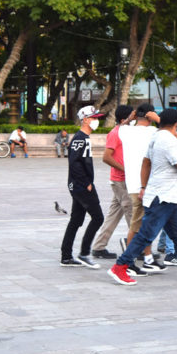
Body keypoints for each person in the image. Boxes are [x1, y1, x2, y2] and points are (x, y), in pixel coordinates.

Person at [108, 108, 177, 286]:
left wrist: (143, 186)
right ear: (176, 122)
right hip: (163, 198)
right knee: (146, 235)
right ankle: (120, 267)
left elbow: (145, 163)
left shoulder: (156, 136)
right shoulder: (168, 141)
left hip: (170, 197)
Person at [118, 103, 162, 275]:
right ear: (150, 115)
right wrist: (158, 119)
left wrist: (131, 118)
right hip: (144, 186)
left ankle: (148, 258)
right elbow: (174, 133)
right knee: (137, 225)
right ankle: (127, 261)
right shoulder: (153, 133)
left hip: (133, 185)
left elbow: (122, 125)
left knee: (144, 224)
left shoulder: (126, 131)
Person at [60, 105, 105, 268]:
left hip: (79, 185)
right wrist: (86, 183)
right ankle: (84, 253)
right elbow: (74, 163)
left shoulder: (83, 138)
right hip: (81, 186)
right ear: (85, 120)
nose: (96, 121)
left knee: (76, 219)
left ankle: (66, 256)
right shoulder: (80, 139)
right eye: (94, 118)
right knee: (98, 218)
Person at [91, 105, 134, 260]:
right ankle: (138, 248)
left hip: (122, 180)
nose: (133, 120)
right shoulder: (115, 134)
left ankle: (98, 247)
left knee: (113, 215)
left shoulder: (126, 134)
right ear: (123, 119)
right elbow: (106, 157)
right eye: (131, 117)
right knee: (132, 213)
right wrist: (125, 169)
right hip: (120, 180)